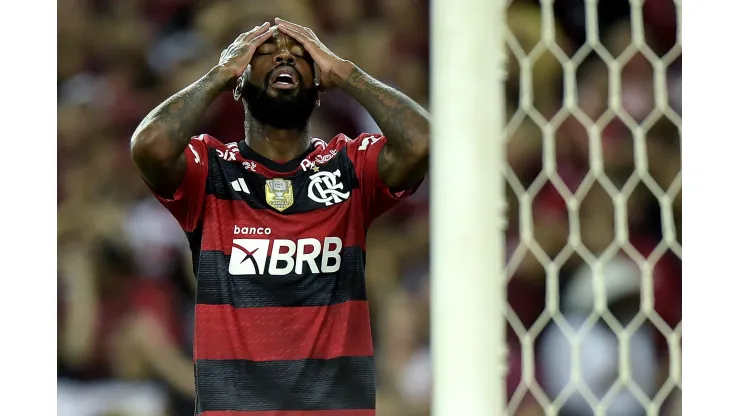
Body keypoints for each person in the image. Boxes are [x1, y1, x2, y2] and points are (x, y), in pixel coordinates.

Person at [130, 18, 429, 415]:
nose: (283, 55)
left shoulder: (349, 166)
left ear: (319, 86)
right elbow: (149, 146)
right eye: (265, 53)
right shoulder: (211, 169)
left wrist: (346, 72)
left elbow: (420, 142)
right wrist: (218, 74)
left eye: (300, 54)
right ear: (240, 82)